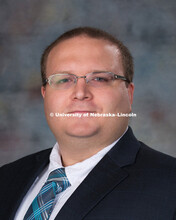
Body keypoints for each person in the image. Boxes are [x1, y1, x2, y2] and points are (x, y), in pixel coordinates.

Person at [0, 27, 176, 220]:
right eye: (64, 79)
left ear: (129, 93)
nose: (80, 92)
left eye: (99, 79)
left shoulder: (169, 185)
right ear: (45, 94)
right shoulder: (7, 178)